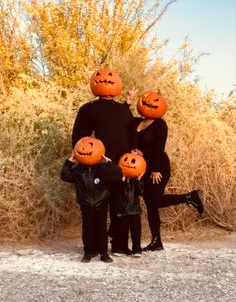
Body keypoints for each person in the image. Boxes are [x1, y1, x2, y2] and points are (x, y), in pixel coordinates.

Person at [71, 66, 138, 254]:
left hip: (121, 166)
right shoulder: (88, 109)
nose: (105, 79)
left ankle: (119, 245)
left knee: (120, 208)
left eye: (110, 77)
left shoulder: (123, 111)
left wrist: (135, 150)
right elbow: (79, 137)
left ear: (117, 83)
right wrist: (87, 157)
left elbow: (132, 134)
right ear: (94, 82)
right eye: (99, 76)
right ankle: (92, 248)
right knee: (96, 210)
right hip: (98, 166)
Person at [126, 89, 204, 251]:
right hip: (141, 168)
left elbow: (158, 149)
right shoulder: (136, 121)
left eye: (154, 102)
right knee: (150, 204)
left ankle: (189, 197)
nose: (148, 104)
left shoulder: (160, 125)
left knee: (154, 201)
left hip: (158, 166)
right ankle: (157, 242)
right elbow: (123, 119)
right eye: (145, 101)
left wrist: (154, 169)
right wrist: (127, 101)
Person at [60, 137, 123, 263]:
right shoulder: (78, 170)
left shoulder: (102, 169)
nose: (85, 149)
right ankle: (88, 252)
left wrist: (108, 163)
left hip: (101, 202)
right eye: (82, 147)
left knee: (101, 228)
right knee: (87, 229)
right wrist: (69, 162)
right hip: (85, 203)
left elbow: (117, 176)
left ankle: (103, 253)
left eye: (90, 146)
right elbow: (65, 176)